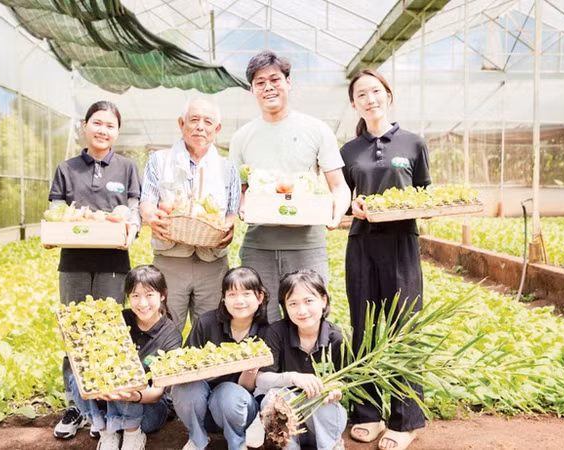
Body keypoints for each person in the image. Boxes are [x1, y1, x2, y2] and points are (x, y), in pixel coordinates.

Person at [340, 69, 429, 450]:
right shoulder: (347, 151)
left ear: (387, 95)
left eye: (376, 91)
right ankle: (368, 414)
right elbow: (339, 200)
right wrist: (351, 205)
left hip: (401, 245)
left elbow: (425, 192)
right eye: (362, 94)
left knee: (403, 328)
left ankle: (405, 419)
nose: (370, 98)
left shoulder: (413, 143)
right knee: (364, 326)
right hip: (361, 244)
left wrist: (412, 203)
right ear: (354, 103)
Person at [229, 50, 351, 323]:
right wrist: (242, 206)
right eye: (260, 82)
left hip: (307, 244)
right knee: (261, 319)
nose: (268, 87)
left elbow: (339, 186)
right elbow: (240, 190)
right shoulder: (242, 137)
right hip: (259, 245)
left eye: (275, 79)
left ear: (288, 82)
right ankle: (267, 368)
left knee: (308, 318)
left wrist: (336, 213)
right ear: (252, 90)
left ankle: (310, 367)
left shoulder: (316, 129)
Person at [48, 100, 141, 439]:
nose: (103, 130)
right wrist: (54, 226)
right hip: (73, 262)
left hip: (114, 263)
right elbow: (56, 207)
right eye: (97, 123)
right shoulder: (67, 168)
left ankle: (105, 406)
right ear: (85, 126)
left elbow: (133, 208)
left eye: (110, 125)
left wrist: (131, 225)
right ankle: (76, 405)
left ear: (117, 131)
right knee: (75, 333)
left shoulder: (127, 167)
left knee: (110, 333)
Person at [140, 97, 240, 334]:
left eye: (208, 122)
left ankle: (208, 373)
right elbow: (146, 203)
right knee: (164, 328)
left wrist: (228, 229)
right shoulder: (159, 160)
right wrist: (151, 217)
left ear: (217, 129)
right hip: (170, 259)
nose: (200, 126)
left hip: (212, 262)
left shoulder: (227, 168)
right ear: (181, 123)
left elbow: (231, 214)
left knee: (211, 331)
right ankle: (164, 371)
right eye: (193, 120)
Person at [66, 265, 182, 450]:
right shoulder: (119, 319)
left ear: (163, 294)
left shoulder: (171, 334)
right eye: (135, 296)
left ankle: (133, 435)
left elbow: (157, 393)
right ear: (128, 297)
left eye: (149, 294)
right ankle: (105, 431)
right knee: (76, 378)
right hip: (111, 399)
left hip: (148, 409)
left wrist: (133, 395)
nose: (142, 303)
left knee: (125, 378)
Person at [172, 267, 270, 450]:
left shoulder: (267, 332)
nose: (239, 301)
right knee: (183, 388)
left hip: (239, 410)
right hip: (202, 410)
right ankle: (198, 438)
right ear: (223, 298)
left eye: (246, 293)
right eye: (232, 294)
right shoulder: (206, 322)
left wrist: (251, 370)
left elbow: (253, 388)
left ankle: (237, 443)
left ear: (260, 297)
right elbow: (186, 366)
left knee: (228, 394)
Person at [255, 269, 347, 450]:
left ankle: (332, 447)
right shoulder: (277, 332)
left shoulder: (337, 338)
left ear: (324, 300)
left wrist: (335, 390)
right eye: (293, 303)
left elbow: (343, 382)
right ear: (285, 307)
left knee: (322, 400)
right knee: (274, 397)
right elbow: (261, 378)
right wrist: (293, 377)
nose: (302, 310)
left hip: (322, 427)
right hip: (287, 430)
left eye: (309, 301)